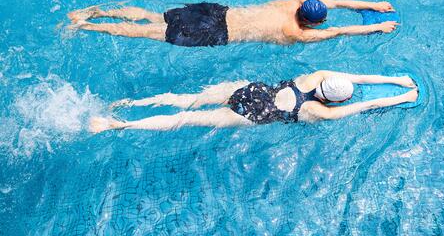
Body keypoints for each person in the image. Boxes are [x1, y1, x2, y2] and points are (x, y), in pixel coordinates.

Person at [89, 71, 418, 133]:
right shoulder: (319, 112)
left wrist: (397, 78)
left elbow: (358, 77)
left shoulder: (315, 75)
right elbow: (366, 104)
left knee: (184, 101)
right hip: (259, 114)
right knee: (184, 121)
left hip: (255, 91)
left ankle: (128, 104)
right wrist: (403, 94)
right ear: (337, 99)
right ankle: (118, 126)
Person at [68, 0, 398, 46]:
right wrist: (376, 25)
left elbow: (339, 2)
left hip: (218, 11)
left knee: (152, 17)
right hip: (217, 29)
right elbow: (341, 29)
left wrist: (372, 4)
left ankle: (93, 12)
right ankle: (86, 26)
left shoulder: (298, 1)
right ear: (312, 22)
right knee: (148, 34)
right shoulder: (296, 33)